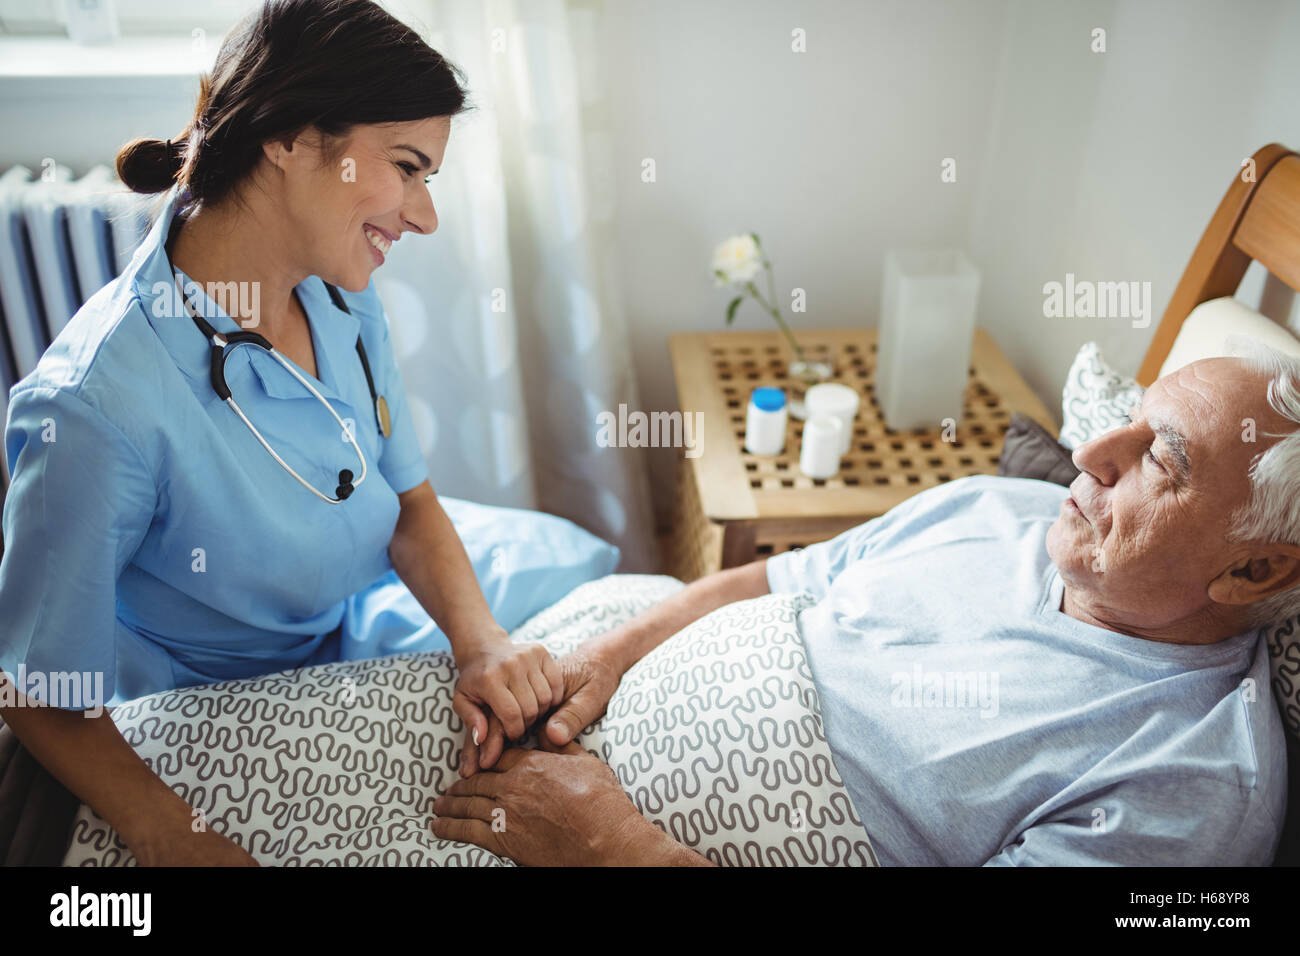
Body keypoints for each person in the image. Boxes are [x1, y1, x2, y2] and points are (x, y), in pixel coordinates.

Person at [0, 0, 560, 866]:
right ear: (291, 138)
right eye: (408, 168)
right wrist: (167, 831)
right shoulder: (94, 411)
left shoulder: (338, 290)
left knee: (579, 581)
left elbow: (408, 502)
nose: (424, 217)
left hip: (351, 613)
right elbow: (37, 692)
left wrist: (481, 644)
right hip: (220, 698)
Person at [435, 349, 1300, 866]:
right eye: (1131, 420)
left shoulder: (1194, 788)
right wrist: (608, 656)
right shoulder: (1003, 508)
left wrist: (608, 846)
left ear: (1254, 570)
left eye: (1165, 462)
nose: (1094, 451)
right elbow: (774, 578)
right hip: (577, 704)